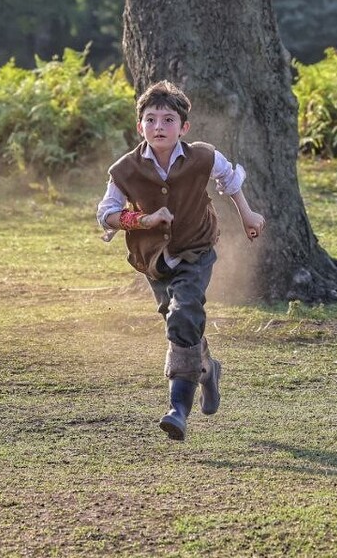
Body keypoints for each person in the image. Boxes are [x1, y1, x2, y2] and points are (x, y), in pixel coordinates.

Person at [96, 80, 266, 441]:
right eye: (151, 119)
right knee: (179, 324)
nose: (159, 127)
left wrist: (248, 215)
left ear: (184, 127)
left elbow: (229, 180)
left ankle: (178, 409)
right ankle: (206, 368)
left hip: (196, 249)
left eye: (169, 120)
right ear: (139, 125)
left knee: (184, 312)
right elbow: (107, 214)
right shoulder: (123, 169)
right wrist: (142, 220)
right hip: (153, 260)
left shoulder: (203, 155)